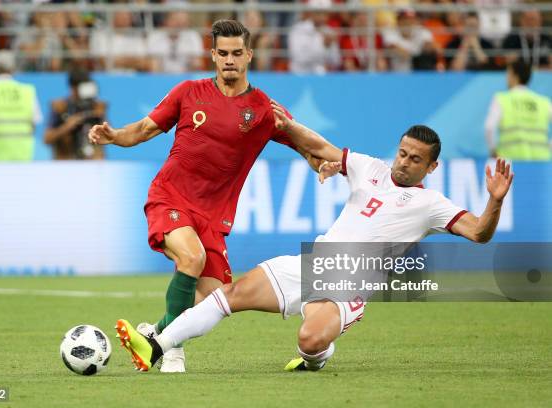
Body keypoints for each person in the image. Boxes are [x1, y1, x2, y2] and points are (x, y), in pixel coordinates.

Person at [114, 122, 514, 373]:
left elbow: (479, 233)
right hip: (313, 263)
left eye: (415, 160)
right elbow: (322, 148)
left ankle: (318, 357)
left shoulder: (432, 205)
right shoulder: (370, 167)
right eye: (403, 152)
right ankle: (155, 346)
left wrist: (494, 200)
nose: (404, 162)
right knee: (229, 295)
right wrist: (284, 123)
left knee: (310, 341)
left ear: (432, 168)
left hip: (348, 288)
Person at [88, 20, 325, 372]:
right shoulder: (188, 93)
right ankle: (172, 351)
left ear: (249, 55)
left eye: (237, 53)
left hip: (213, 218)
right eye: (223, 53)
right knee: (192, 258)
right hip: (170, 196)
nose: (230, 60)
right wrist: (114, 136)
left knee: (214, 300)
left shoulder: (263, 109)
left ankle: (155, 334)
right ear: (213, 55)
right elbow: (144, 129)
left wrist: (320, 164)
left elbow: (304, 144)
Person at [485, 59, 551, 160]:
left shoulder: (501, 99)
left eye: (508, 74)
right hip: (541, 161)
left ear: (514, 76)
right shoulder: (543, 102)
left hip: (509, 162)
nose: (506, 78)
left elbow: (489, 128)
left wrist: (493, 151)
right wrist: (549, 147)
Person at [45, 69, 106, 160]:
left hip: (92, 164)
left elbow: (108, 138)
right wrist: (67, 126)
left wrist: (99, 119)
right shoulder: (60, 107)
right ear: (72, 88)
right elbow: (47, 138)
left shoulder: (96, 107)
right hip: (66, 164)